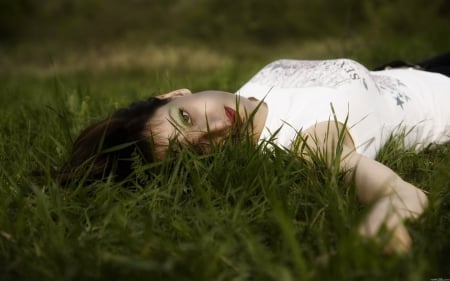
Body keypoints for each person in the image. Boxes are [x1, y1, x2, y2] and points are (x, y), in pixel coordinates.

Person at [59, 52, 450, 253]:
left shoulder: (252, 86)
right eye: (198, 152)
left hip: (418, 67)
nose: (216, 128)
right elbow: (403, 195)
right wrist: (377, 229)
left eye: (185, 116)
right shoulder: (306, 142)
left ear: (176, 95)